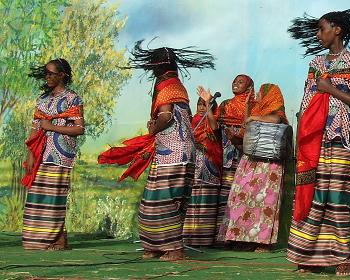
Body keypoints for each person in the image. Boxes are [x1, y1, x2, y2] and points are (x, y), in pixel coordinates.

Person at [99, 40, 215, 261]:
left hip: (174, 154)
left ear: (159, 67)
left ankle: (173, 249)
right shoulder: (174, 84)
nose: (151, 70)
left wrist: (154, 128)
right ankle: (156, 246)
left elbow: (166, 116)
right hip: (172, 153)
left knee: (165, 200)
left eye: (153, 66)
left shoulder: (168, 87)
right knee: (157, 201)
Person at [286, 3, 350, 276]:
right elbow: (306, 102)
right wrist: (300, 137)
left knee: (337, 197)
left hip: (342, 138)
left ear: (337, 30)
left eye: (321, 29)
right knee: (313, 195)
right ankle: (308, 255)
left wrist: (331, 90)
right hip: (313, 139)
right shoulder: (315, 64)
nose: (317, 35)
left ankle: (341, 257)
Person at [22, 58, 84, 250]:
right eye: (46, 73)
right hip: (41, 153)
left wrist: (52, 127)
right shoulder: (42, 100)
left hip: (60, 154)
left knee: (54, 198)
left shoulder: (73, 99)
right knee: (38, 195)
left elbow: (79, 129)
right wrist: (31, 155)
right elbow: (35, 128)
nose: (47, 77)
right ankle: (39, 239)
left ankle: (55, 239)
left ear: (62, 75)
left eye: (51, 73)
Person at [219, 83, 289, 252]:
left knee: (265, 202)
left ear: (270, 95)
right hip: (249, 161)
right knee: (242, 197)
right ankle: (239, 237)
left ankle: (262, 242)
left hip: (269, 164)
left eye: (261, 92)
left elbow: (276, 119)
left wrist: (255, 118)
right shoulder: (255, 110)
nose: (257, 95)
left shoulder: (272, 110)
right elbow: (246, 134)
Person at [197, 74, 255, 242]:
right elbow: (215, 126)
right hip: (227, 155)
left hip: (246, 154)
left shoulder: (252, 105)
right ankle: (223, 237)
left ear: (249, 86)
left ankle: (241, 237)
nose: (235, 84)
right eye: (234, 81)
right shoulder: (225, 104)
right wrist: (208, 104)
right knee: (226, 197)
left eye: (240, 82)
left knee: (244, 195)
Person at [183, 97, 222, 246]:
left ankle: (204, 240)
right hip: (194, 162)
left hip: (209, 165)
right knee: (191, 199)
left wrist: (208, 107)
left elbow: (214, 130)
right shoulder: (193, 121)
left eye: (204, 105)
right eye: (199, 104)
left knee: (206, 200)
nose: (201, 107)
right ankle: (188, 238)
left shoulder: (214, 120)